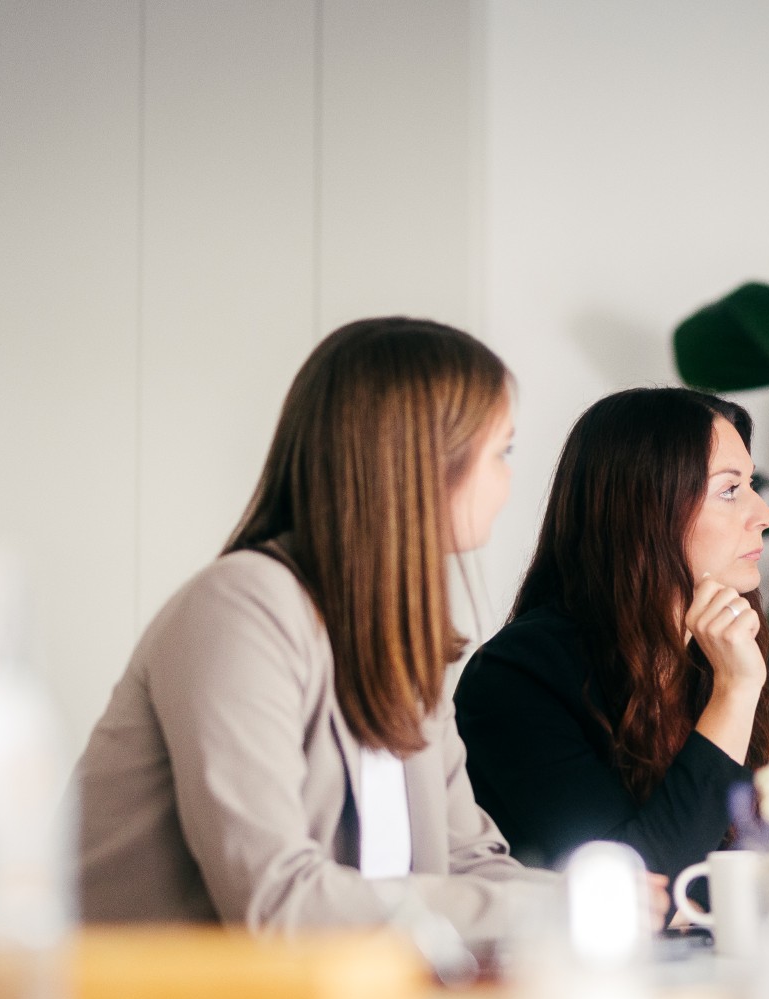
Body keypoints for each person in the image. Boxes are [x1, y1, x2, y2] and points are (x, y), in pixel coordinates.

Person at [75, 317, 597, 951]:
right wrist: (547, 913)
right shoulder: (243, 604)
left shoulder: (401, 644)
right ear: (424, 461)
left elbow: (468, 861)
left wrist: (599, 900)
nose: (510, 481)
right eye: (502, 452)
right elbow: (278, 901)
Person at [454, 387, 769, 879]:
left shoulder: (718, 654)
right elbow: (633, 887)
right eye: (730, 490)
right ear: (647, 509)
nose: (766, 516)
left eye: (751, 485)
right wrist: (734, 695)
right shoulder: (514, 677)